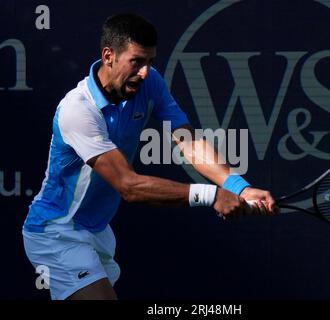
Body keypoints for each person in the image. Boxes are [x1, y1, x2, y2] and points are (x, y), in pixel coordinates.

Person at [22, 12, 276, 300]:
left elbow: (188, 142)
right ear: (109, 56)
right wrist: (212, 195)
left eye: (150, 62)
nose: (144, 72)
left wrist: (238, 187)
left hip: (97, 231)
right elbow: (128, 185)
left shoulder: (149, 82)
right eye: (136, 61)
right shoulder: (78, 110)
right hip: (57, 231)